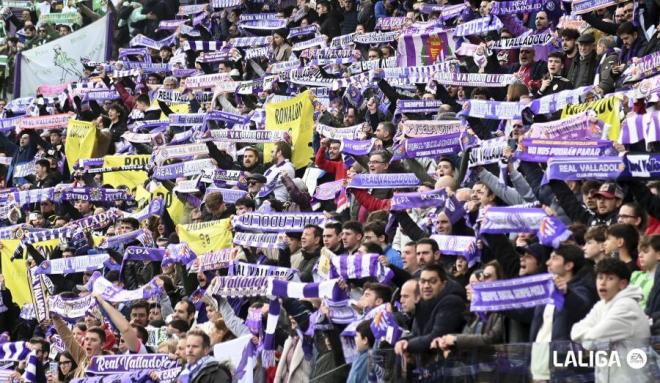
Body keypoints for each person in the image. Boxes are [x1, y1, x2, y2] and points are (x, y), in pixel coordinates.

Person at [571, 258, 652, 383]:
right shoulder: (601, 305)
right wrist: (590, 337)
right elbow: (575, 331)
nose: (602, 283)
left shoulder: (626, 306)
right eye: (600, 277)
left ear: (622, 284)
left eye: (610, 278)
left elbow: (592, 341)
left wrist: (588, 338)